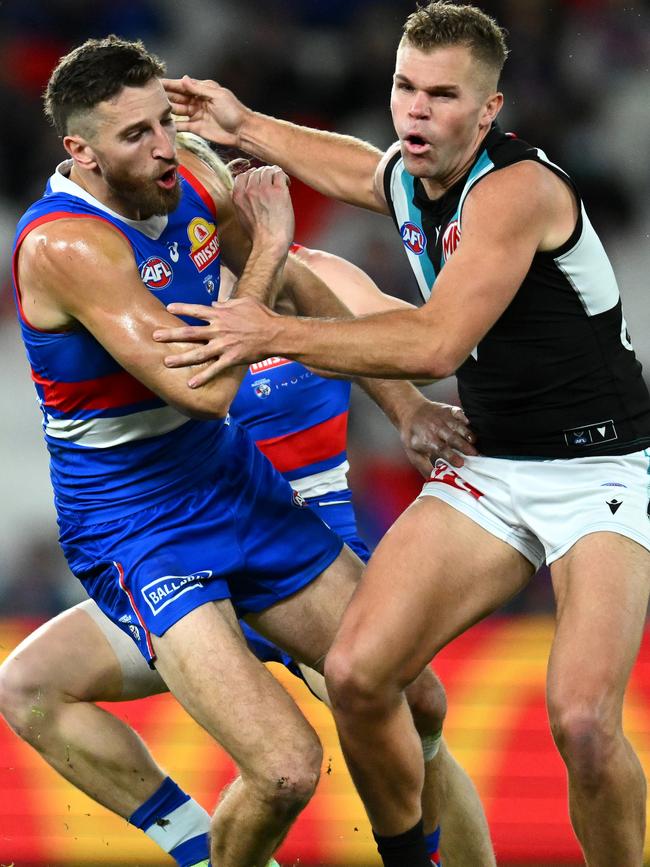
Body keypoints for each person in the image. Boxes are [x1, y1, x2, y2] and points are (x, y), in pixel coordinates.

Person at [158, 3, 650, 866]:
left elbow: (433, 343)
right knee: (356, 676)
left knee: (581, 720)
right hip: (491, 461)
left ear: (490, 109)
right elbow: (365, 171)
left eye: (443, 96)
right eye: (404, 88)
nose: (416, 112)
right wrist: (244, 125)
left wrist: (268, 329)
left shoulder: (517, 191)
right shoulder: (417, 173)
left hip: (598, 466)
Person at [1, 38, 487, 867]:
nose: (165, 147)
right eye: (135, 136)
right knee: (288, 768)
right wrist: (265, 243)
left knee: (399, 685)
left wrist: (405, 408)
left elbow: (297, 281)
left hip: (231, 483)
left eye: (166, 122)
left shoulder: (186, 173)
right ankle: (199, 847)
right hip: (137, 522)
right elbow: (206, 389)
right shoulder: (69, 246)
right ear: (78, 151)